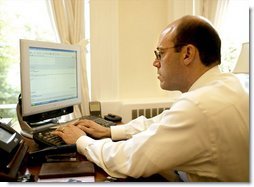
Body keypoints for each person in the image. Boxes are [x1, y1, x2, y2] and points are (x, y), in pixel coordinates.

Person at [52, 15, 249, 182]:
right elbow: (163, 122)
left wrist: (81, 141)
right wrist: (109, 131)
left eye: (160, 53)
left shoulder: (198, 106)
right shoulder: (228, 84)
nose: (155, 62)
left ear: (188, 54)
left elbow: (127, 160)